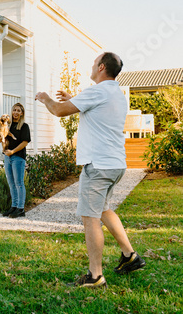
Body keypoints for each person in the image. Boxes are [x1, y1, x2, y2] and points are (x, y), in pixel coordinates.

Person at [35, 52, 145, 288]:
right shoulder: (116, 93)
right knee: (104, 210)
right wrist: (74, 98)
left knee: (91, 218)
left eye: (94, 63)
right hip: (115, 164)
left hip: (98, 166)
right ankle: (129, 256)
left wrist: (45, 98)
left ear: (102, 67)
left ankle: (95, 276)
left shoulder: (96, 91)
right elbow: (95, 111)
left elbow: (60, 111)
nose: (92, 65)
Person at [0, 103, 31, 218]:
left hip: (18, 157)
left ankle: (20, 209)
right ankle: (14, 206)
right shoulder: (8, 126)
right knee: (11, 183)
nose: (16, 112)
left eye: (18, 111)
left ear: (22, 113)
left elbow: (25, 142)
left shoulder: (24, 126)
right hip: (8, 157)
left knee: (19, 183)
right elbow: (1, 137)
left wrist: (13, 151)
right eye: (14, 110)